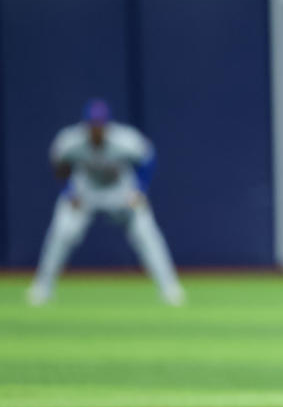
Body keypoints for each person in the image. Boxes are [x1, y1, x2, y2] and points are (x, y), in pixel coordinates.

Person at [27, 99, 185, 306]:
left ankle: (170, 289)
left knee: (146, 233)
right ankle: (42, 288)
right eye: (93, 124)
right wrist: (67, 191)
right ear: (86, 125)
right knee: (63, 232)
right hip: (84, 192)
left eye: (100, 124)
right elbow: (58, 162)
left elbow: (148, 157)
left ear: (107, 124)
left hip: (120, 193)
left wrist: (139, 189)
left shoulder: (125, 140)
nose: (97, 129)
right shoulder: (70, 140)